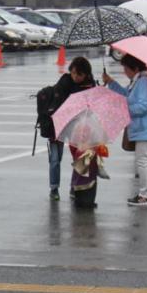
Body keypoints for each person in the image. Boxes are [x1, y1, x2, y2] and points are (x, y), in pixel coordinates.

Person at [104, 54, 147, 206]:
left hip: (146, 128)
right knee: (142, 161)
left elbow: (143, 106)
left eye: (126, 68)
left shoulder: (143, 81)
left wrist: (123, 109)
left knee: (143, 161)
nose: (124, 71)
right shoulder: (137, 81)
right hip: (143, 128)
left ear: (135, 68)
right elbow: (126, 95)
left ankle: (145, 195)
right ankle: (144, 194)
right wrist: (111, 83)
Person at [40, 56, 96, 203]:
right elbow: (56, 107)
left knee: (79, 156)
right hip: (58, 124)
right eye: (73, 73)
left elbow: (92, 106)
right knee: (55, 159)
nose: (75, 77)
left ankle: (75, 186)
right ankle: (54, 188)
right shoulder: (64, 82)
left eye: (79, 74)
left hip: (79, 126)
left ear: (86, 74)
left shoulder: (90, 85)